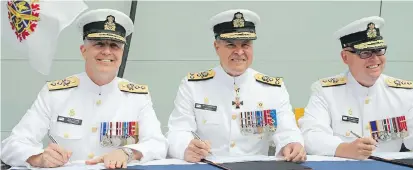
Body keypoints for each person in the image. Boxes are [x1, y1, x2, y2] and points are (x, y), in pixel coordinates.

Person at [0, 9, 168, 168]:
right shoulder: (55, 94)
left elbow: (158, 143)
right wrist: (39, 157)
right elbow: (11, 145)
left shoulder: (137, 97)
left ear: (122, 54)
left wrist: (128, 152)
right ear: (83, 51)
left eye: (115, 46)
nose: (107, 51)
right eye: (99, 44)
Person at [298, 16, 413, 160]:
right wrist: (343, 149)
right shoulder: (325, 91)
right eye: (365, 52)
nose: (375, 58)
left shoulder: (402, 92)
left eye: (379, 50)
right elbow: (312, 134)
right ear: (345, 57)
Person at [166, 9, 306, 163]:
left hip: (255, 166)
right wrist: (186, 148)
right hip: (208, 165)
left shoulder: (273, 88)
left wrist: (292, 143)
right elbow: (178, 130)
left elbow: (287, 129)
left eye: (245, 45)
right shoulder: (193, 86)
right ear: (216, 47)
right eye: (231, 45)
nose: (239, 52)